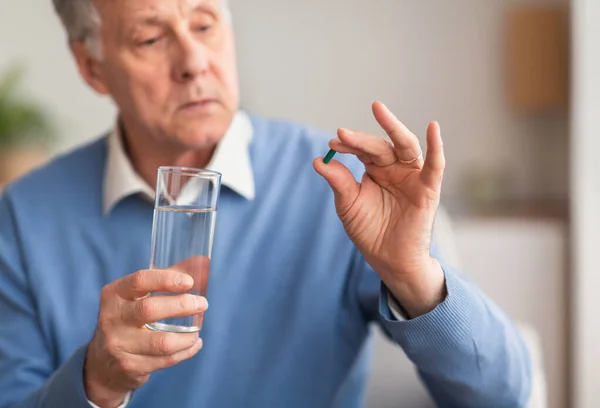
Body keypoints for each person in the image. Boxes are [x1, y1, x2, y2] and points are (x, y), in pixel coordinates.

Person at [0, 0, 531, 407]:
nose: (193, 61)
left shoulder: (341, 184)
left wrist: (415, 275)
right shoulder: (22, 218)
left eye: (205, 24)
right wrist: (95, 383)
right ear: (92, 67)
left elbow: (504, 395)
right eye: (150, 37)